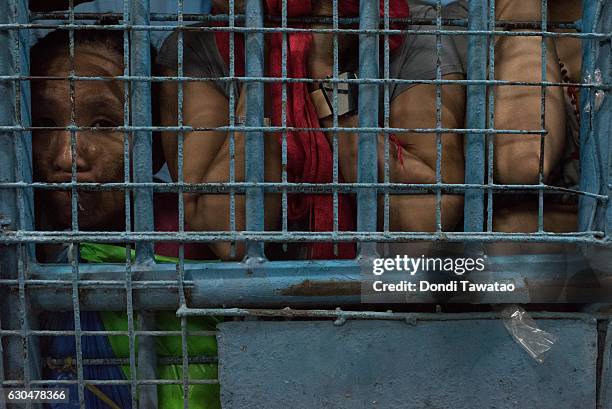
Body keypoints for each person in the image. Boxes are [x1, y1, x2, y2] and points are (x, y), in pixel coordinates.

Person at [156, 0, 467, 260]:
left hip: (382, 292)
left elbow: (423, 225)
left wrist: (325, 72)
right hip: (254, 303)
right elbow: (232, 235)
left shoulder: (410, 31)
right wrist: (271, 66)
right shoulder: (197, 48)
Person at [31, 28, 220, 409]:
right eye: (44, 123)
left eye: (103, 125)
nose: (68, 157)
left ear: (154, 146)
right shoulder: (18, 236)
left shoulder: (195, 236)